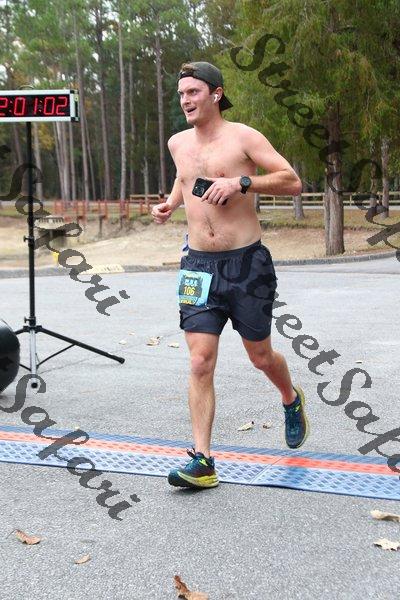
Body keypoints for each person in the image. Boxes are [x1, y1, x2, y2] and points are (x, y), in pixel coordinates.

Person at [152, 61, 309, 490]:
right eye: (181, 94)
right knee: (199, 360)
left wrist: (242, 183)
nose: (185, 100)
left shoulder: (244, 137)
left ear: (216, 94)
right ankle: (203, 460)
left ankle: (290, 398)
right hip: (197, 267)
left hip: (246, 265)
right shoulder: (177, 142)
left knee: (260, 356)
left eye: (193, 92)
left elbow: (292, 181)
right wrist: (170, 204)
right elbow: (185, 179)